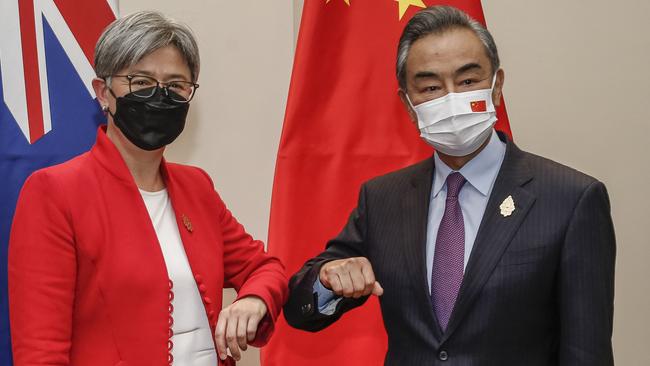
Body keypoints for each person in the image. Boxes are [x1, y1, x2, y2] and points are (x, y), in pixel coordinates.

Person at [283, 5, 615, 366]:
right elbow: (301, 309)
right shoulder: (383, 199)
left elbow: (586, 353)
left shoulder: (570, 199)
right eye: (430, 87)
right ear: (408, 105)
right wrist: (327, 281)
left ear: (497, 86)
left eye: (468, 81)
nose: (451, 99)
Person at [8, 11, 287, 366]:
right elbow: (40, 353)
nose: (160, 96)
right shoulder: (54, 192)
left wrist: (254, 299)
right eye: (141, 82)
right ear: (103, 92)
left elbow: (266, 268)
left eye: (175, 86)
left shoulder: (196, 186)